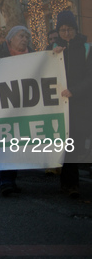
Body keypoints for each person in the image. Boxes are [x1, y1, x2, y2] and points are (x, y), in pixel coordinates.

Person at [0, 26, 33, 196]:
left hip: (24, 107)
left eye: (27, 37)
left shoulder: (34, 55)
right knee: (5, 143)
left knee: (17, 144)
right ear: (10, 39)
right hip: (3, 106)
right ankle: (5, 181)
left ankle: (11, 180)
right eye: (21, 36)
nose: (25, 39)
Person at [51, 11, 92, 199]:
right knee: (66, 145)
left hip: (80, 104)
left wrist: (74, 90)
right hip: (59, 105)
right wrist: (52, 54)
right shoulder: (53, 48)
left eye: (69, 29)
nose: (66, 33)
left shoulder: (86, 49)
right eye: (62, 30)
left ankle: (72, 183)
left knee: (76, 144)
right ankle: (69, 184)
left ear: (75, 29)